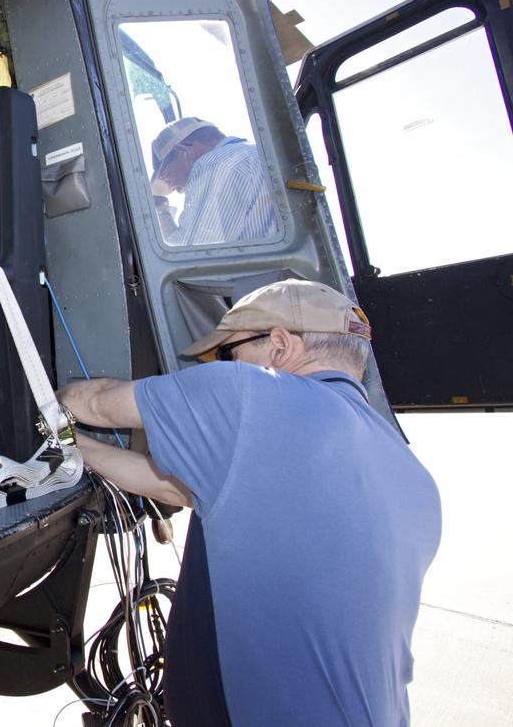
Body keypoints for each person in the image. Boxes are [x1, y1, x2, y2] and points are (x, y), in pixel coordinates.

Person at [57, 279, 440, 726]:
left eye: (228, 353)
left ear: (279, 345)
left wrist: (43, 403)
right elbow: (172, 488)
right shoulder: (410, 472)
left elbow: (99, 405)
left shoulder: (251, 396)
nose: (226, 365)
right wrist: (71, 447)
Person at [150, 117, 279, 246]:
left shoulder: (212, 164)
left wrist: (159, 207)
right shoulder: (253, 153)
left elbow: (191, 252)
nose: (177, 189)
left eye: (167, 177)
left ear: (183, 151)